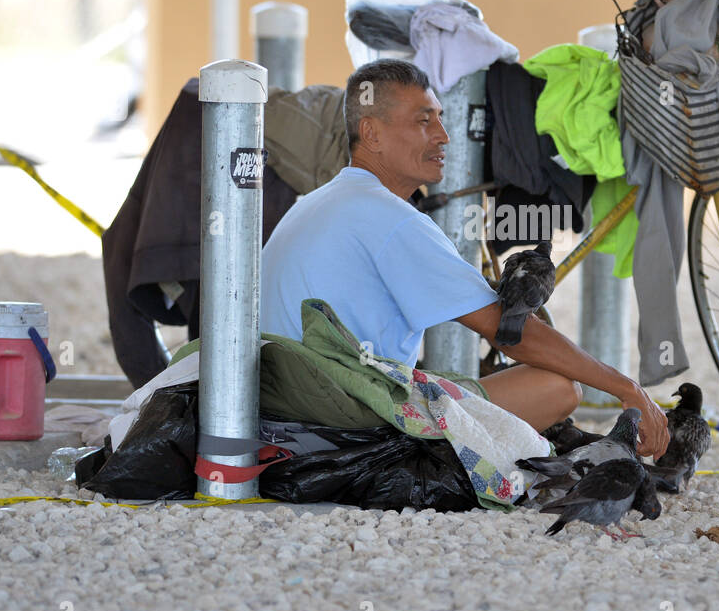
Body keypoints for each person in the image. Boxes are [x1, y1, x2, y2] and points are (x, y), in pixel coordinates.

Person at [260, 59, 669, 458]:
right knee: (558, 387)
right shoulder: (392, 219)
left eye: (440, 118)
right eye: (424, 121)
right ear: (371, 133)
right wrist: (627, 388)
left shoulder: (317, 201)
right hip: (347, 419)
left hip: (286, 407)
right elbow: (512, 333)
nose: (444, 135)